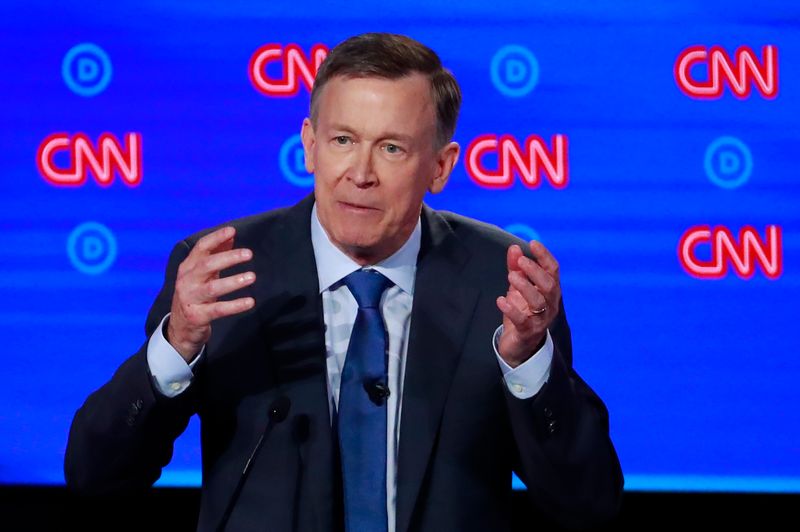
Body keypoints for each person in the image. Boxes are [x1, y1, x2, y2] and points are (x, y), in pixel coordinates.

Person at [65, 32, 623, 531]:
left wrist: (526, 362)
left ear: (441, 166)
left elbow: (587, 501)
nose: (360, 173)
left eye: (392, 147)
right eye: (342, 140)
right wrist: (176, 347)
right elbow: (97, 478)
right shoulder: (223, 272)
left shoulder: (499, 279)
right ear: (309, 144)